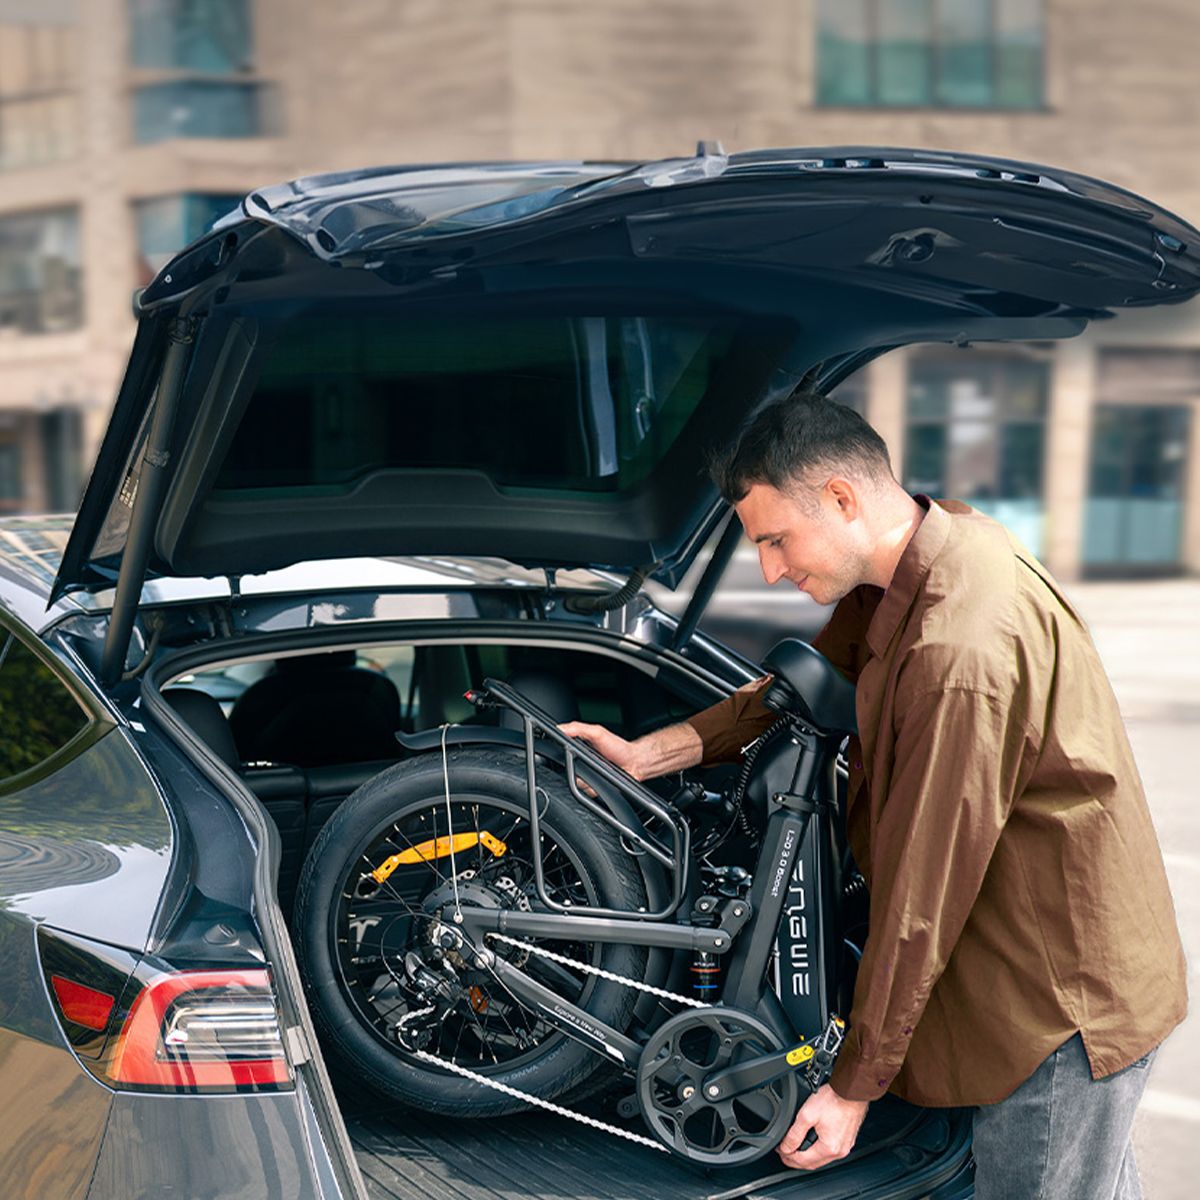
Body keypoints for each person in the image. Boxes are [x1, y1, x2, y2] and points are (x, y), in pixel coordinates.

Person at [559, 390, 1186, 1198]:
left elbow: (921, 897)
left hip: (1053, 1014)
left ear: (844, 499)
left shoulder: (959, 653)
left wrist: (854, 1087)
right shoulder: (927, 555)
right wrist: (655, 754)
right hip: (1050, 978)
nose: (775, 570)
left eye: (777, 541)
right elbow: (799, 685)